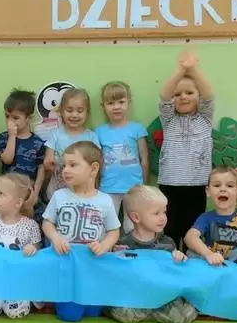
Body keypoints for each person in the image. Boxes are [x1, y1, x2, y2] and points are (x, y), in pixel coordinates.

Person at [43, 141, 120, 322]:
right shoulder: (59, 196)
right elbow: (47, 223)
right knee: (70, 315)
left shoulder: (105, 200)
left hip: (92, 266)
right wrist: (55, 238)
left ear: (93, 169)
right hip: (66, 265)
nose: (65, 170)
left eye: (73, 165)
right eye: (64, 165)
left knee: (94, 314)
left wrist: (104, 246)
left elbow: (114, 231)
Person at [107, 185, 197, 323]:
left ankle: (150, 312)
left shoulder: (168, 243)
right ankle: (151, 312)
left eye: (164, 212)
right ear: (136, 217)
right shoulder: (124, 244)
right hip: (136, 296)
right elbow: (118, 277)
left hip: (161, 296)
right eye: (156, 213)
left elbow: (174, 275)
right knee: (122, 312)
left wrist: (179, 258)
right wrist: (115, 255)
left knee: (184, 316)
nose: (163, 218)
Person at [157, 50, 215, 249]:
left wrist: (193, 70)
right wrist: (180, 70)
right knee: (170, 231)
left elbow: (209, 96)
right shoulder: (169, 119)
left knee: (193, 232)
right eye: (178, 94)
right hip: (170, 184)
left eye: (190, 93)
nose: (183, 97)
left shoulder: (205, 119)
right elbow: (164, 96)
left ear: (198, 97)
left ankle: (191, 262)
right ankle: (170, 262)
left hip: (197, 185)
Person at [0, 173, 41, 319]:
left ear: (17, 203)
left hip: (18, 281)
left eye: (1, 194)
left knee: (15, 312)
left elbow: (37, 253)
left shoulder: (30, 226)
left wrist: (32, 249)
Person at [95, 81, 149, 233]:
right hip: (108, 186)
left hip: (133, 187)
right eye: (111, 103)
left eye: (121, 102)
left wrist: (144, 185)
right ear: (103, 106)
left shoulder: (137, 129)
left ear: (128, 103)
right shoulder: (99, 132)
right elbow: (97, 162)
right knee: (106, 225)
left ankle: (131, 248)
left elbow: (144, 158)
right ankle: (107, 247)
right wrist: (96, 186)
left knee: (132, 226)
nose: (116, 107)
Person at [0, 89, 46, 215]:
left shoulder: (38, 142)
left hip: (28, 195)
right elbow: (7, 159)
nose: (10, 121)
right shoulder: (3, 138)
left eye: (15, 118)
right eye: (7, 116)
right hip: (7, 194)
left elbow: (41, 168)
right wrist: (12, 136)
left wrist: (36, 192)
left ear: (29, 118)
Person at [43, 88, 99, 197]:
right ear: (61, 112)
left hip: (83, 189)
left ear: (87, 113)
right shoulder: (55, 134)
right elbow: (48, 161)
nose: (74, 115)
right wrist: (51, 163)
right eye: (69, 111)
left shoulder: (91, 137)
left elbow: (96, 164)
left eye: (80, 111)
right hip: (58, 188)